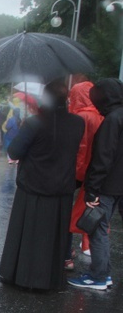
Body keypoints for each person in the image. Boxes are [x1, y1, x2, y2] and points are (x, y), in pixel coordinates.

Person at [0, 79, 84, 290]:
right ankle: (50, 279)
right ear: (66, 99)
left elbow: (14, 151)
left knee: (28, 235)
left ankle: (21, 277)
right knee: (53, 238)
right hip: (61, 189)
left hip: (33, 187)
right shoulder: (78, 122)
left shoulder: (34, 122)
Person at [67, 78, 123, 290]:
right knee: (103, 227)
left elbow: (103, 157)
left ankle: (99, 276)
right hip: (120, 185)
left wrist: (92, 190)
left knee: (98, 230)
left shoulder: (111, 120)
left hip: (106, 186)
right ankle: (103, 273)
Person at [66, 81, 105, 267]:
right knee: (90, 208)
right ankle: (87, 244)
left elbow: (80, 148)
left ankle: (65, 252)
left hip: (78, 169)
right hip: (96, 170)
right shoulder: (101, 115)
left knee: (68, 210)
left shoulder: (80, 117)